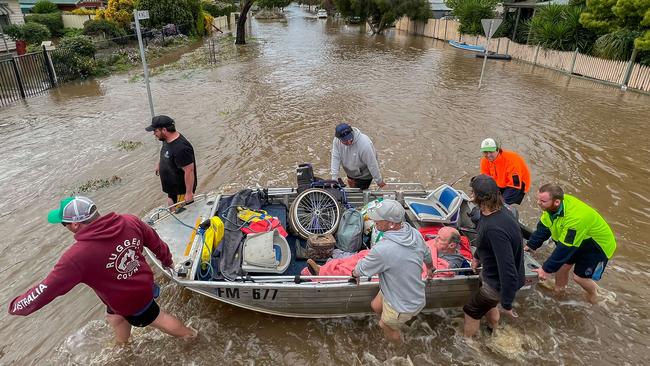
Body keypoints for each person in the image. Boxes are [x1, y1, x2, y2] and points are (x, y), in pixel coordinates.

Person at [8, 196, 196, 344]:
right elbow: (154, 240)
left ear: (75, 225)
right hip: (135, 285)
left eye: (63, 223)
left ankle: (191, 335)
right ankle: (123, 345)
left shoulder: (76, 257)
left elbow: (47, 289)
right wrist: (167, 260)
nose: (64, 227)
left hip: (130, 299)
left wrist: (16, 307)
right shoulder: (129, 220)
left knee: (157, 318)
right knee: (114, 317)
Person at [350, 199, 434, 342]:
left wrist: (354, 274)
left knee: (384, 325)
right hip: (399, 290)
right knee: (375, 306)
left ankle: (398, 350)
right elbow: (426, 254)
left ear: (391, 224)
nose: (373, 219)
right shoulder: (414, 233)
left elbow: (362, 269)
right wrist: (431, 267)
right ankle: (393, 321)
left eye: (378, 219)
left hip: (403, 304)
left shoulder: (383, 249)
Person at [525, 184, 616, 304]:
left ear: (556, 202)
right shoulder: (551, 207)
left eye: (542, 201)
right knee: (562, 267)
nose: (538, 203)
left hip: (596, 246)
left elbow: (565, 247)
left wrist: (546, 270)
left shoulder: (575, 218)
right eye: (538, 199)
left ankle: (595, 294)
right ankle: (559, 291)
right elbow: (544, 228)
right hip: (577, 238)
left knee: (579, 277)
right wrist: (530, 246)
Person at [463, 175, 525, 337]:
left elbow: (508, 268)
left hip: (496, 283)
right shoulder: (498, 211)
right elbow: (484, 242)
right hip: (491, 274)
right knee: (490, 306)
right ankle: (492, 331)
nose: (470, 194)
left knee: (471, 311)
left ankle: (469, 347)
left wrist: (507, 303)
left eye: (472, 192)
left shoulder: (494, 229)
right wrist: (476, 257)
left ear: (477, 196)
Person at [304, 226, 469, 278]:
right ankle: (330, 267)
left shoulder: (453, 262)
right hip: (406, 256)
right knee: (364, 255)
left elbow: (430, 270)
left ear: (452, 246)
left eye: (441, 239)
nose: (436, 240)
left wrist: (429, 248)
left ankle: (326, 274)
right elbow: (425, 246)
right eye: (437, 237)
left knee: (371, 268)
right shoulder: (438, 245)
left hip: (405, 269)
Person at [146, 115, 197, 207]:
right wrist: (160, 164)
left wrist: (189, 193)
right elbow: (166, 151)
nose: (154, 134)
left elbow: (189, 171)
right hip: (172, 187)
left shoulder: (181, 148)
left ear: (164, 130)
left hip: (181, 191)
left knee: (181, 215)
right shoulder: (166, 139)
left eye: (155, 131)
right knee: (172, 206)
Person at [330, 123, 386, 190]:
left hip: (364, 175)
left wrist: (379, 182)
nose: (349, 142)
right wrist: (334, 178)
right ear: (339, 138)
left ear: (352, 132)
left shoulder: (365, 144)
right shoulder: (336, 141)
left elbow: (372, 164)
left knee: (358, 193)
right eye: (345, 141)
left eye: (350, 138)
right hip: (351, 172)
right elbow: (335, 158)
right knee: (351, 184)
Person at [479, 138, 531, 205]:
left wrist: (500, 204)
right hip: (500, 181)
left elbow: (515, 187)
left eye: (491, 152)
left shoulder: (511, 161)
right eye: (485, 152)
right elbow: (485, 180)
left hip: (518, 184)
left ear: (498, 150)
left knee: (502, 205)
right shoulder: (485, 160)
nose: (488, 155)